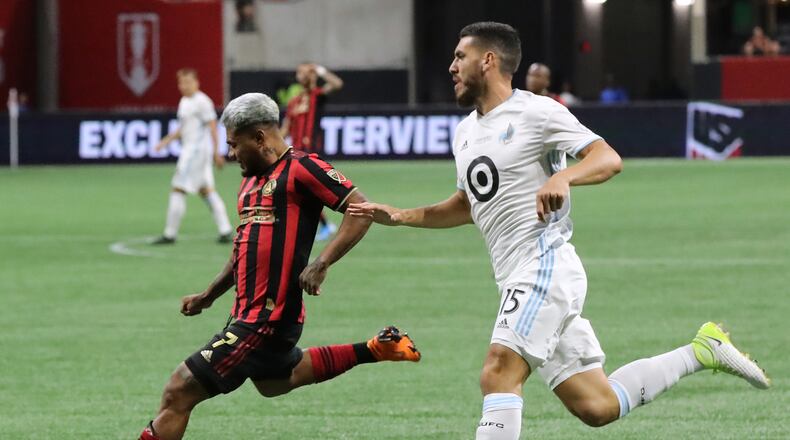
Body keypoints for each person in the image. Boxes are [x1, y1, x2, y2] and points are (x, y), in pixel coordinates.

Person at [349, 21, 770, 440]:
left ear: (489, 60)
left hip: (544, 267)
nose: (451, 66)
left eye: (460, 56)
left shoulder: (536, 111)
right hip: (515, 276)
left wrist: (563, 178)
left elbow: (607, 158)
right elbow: (468, 205)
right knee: (598, 406)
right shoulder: (465, 133)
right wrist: (403, 215)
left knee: (498, 372)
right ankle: (701, 351)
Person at [139, 93, 421, 440]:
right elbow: (243, 249)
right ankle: (378, 348)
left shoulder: (303, 167)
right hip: (246, 314)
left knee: (178, 390)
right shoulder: (249, 181)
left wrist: (322, 262)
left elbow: (360, 209)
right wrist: (208, 296)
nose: (230, 153)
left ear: (259, 138)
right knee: (275, 381)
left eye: (234, 144)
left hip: (268, 318)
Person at [153, 68, 233, 244]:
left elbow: (213, 126)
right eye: (181, 82)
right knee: (206, 191)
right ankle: (225, 229)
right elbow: (183, 129)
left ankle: (169, 234)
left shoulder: (202, 101)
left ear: (197, 82)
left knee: (178, 189)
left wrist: (217, 152)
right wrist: (165, 141)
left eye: (188, 82)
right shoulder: (184, 101)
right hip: (193, 152)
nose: (184, 86)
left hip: (195, 153)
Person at [280, 62, 344, 241]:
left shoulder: (318, 95)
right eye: (300, 72)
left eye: (306, 72)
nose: (302, 75)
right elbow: (286, 127)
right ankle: (323, 225)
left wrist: (321, 70)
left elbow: (337, 84)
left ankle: (329, 222)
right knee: (302, 190)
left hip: (313, 152)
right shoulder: (294, 102)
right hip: (296, 153)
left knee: (309, 189)